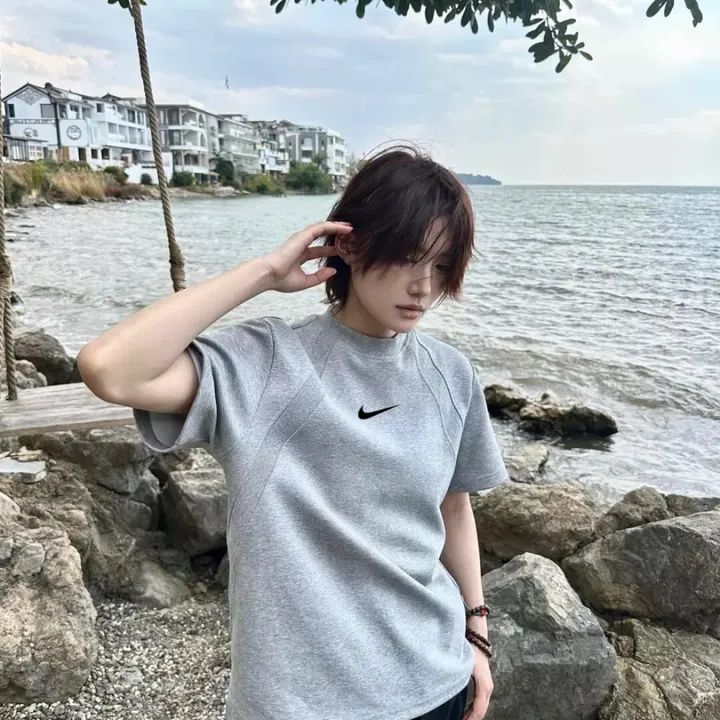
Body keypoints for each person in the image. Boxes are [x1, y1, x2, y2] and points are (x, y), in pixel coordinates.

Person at [78, 145, 508, 720]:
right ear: (349, 244)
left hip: (434, 683)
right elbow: (110, 369)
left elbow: (454, 508)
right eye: (408, 258)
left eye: (442, 264)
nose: (424, 287)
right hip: (296, 704)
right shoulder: (267, 363)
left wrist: (476, 634)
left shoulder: (451, 374)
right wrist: (263, 273)